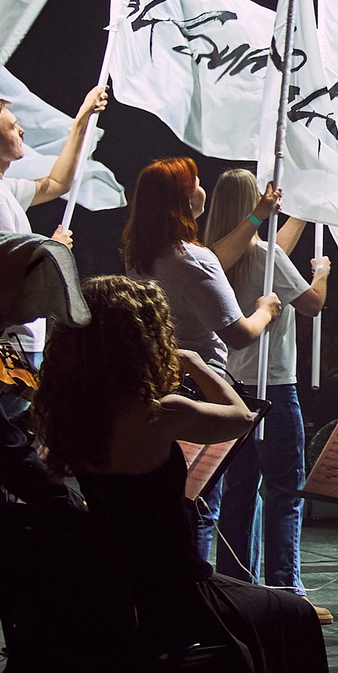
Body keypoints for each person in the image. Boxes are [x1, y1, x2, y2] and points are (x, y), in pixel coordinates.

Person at [34, 274, 338, 673]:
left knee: (266, 611)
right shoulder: (160, 412)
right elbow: (243, 419)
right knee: (291, 613)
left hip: (121, 589)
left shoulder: (71, 416)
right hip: (177, 591)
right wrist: (200, 366)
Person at [122, 156, 280, 562]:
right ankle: (198, 593)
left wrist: (257, 217)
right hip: (201, 388)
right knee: (200, 500)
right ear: (184, 196)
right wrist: (266, 310)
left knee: (173, 495)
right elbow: (239, 335)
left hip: (157, 382)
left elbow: (213, 258)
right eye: (194, 181)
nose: (201, 186)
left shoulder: (142, 255)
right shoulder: (194, 260)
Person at [203, 167, 329, 597]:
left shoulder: (213, 256)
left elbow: (273, 253)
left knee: (239, 490)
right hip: (273, 387)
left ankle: (236, 586)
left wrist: (303, 214)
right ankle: (284, 589)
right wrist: (322, 273)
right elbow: (311, 305)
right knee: (284, 490)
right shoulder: (265, 258)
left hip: (232, 388)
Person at [0, 86, 107, 368]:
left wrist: (82, 119)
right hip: (7, 343)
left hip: (10, 339)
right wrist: (54, 250)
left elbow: (57, 184)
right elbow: (5, 274)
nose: (21, 131)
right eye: (12, 126)